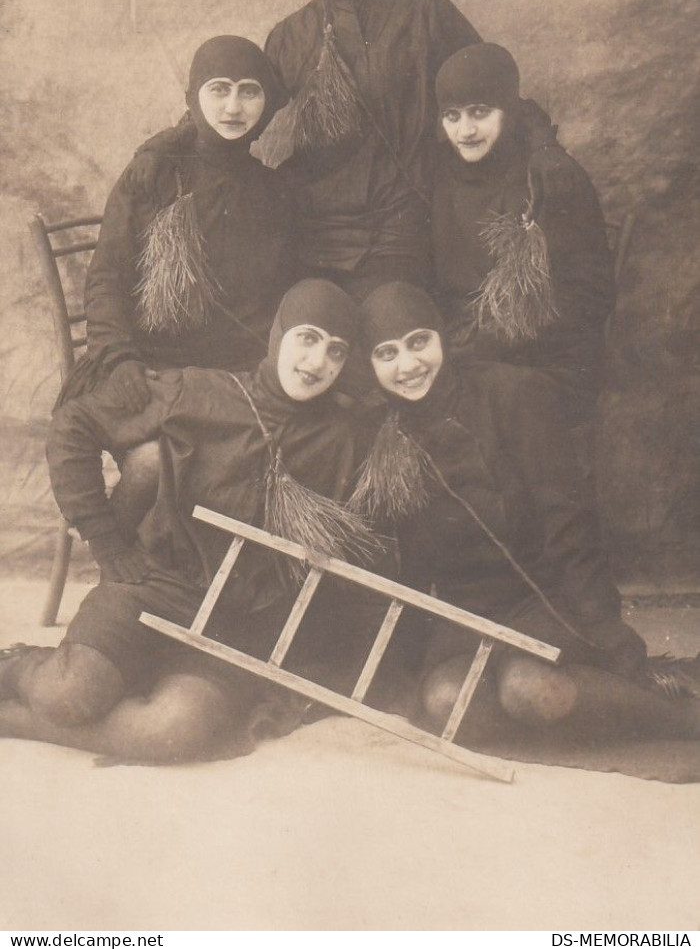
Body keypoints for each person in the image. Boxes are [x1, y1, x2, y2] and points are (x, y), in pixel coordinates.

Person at [134, 0, 574, 302]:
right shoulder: (292, 36)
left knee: (378, 328)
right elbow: (238, 112)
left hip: (403, 225)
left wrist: (544, 146)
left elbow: (490, 92)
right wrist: (167, 143)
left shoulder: (423, 10)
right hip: (309, 229)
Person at [0, 281, 377, 764]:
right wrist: (107, 541)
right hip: (156, 582)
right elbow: (74, 426)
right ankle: (19, 668)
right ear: (278, 334)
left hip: (236, 620)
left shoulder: (343, 438)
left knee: (176, 730)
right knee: (66, 693)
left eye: (336, 350)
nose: (317, 361)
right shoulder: (198, 392)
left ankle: (13, 720)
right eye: (307, 337)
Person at [353, 281, 700, 744]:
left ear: (442, 337)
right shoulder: (382, 440)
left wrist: (604, 627)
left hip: (543, 597)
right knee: (444, 704)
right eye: (387, 353)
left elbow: (568, 523)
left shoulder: (511, 394)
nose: (409, 365)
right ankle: (575, 715)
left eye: (419, 342)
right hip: (467, 615)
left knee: (531, 690)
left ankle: (674, 719)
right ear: (370, 366)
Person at [75, 34, 293, 416]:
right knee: (147, 466)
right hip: (152, 367)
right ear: (194, 97)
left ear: (267, 103)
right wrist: (120, 359)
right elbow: (107, 278)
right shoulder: (154, 173)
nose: (233, 107)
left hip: (236, 376)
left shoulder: (272, 190)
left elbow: (281, 295)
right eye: (219, 90)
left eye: (249, 92)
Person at [431, 43, 615, 416]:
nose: (465, 130)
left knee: (479, 404)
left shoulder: (549, 178)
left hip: (547, 355)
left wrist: (500, 340)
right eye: (452, 116)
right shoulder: (442, 178)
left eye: (480, 112)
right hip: (470, 349)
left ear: (509, 111)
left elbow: (588, 294)